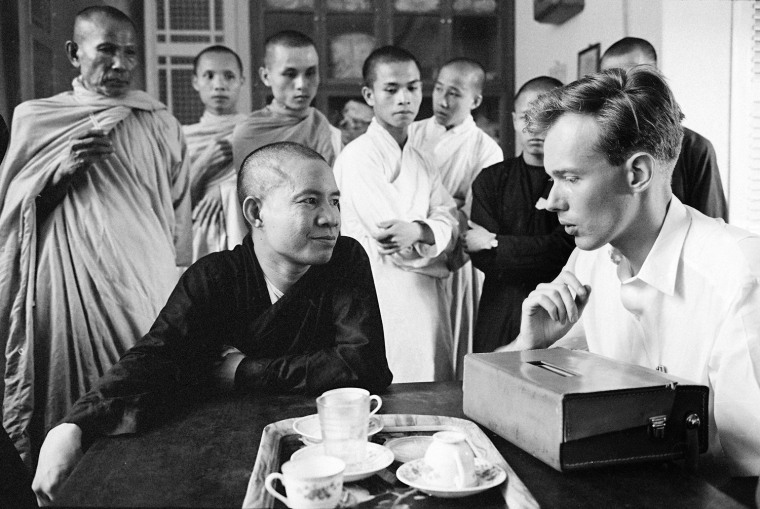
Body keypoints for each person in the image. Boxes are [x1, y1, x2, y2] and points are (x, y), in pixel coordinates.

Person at [31, 142, 393, 505]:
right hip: (229, 447)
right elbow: (154, 357)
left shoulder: (345, 259)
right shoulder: (214, 278)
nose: (330, 217)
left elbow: (364, 365)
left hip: (327, 448)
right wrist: (71, 427)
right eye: (309, 201)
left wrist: (244, 372)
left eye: (335, 201)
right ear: (255, 212)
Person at [506, 66, 760, 478]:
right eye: (552, 178)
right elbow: (530, 408)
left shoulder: (740, 275)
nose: (551, 201)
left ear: (637, 173)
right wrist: (529, 349)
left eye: (570, 178)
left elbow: (752, 473)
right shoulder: (589, 258)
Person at [0, 6, 191, 464]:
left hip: (146, 277)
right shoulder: (38, 119)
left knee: (152, 395)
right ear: (74, 53)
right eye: (106, 50)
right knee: (74, 398)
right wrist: (59, 174)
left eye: (129, 53)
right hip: (69, 288)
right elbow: (11, 219)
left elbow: (177, 209)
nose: (120, 64)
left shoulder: (159, 120)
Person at [335, 46, 459, 383]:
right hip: (380, 287)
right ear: (369, 95)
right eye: (391, 89)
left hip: (427, 295)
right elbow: (390, 239)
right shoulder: (358, 157)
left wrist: (420, 231)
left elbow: (451, 217)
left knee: (433, 382)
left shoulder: (422, 159)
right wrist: (440, 247)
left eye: (413, 87)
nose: (404, 98)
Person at [408, 58, 503, 376]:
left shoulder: (485, 150)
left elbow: (477, 215)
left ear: (475, 100)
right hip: (407, 252)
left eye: (455, 94)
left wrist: (440, 238)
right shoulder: (412, 133)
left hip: (454, 260)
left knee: (453, 353)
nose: (443, 101)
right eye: (438, 89)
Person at [464, 76, 574, 352]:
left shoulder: (574, 181)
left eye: (546, 117)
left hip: (557, 311)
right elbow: (482, 257)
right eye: (526, 116)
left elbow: (564, 250)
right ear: (514, 120)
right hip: (499, 308)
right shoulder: (491, 180)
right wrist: (505, 250)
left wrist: (497, 242)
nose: (534, 127)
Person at [225, 30, 342, 247]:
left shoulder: (326, 129)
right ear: (265, 76)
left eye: (310, 73)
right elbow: (256, 205)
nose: (301, 84)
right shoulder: (249, 132)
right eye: (289, 74)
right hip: (269, 244)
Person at [600, 36, 728, 221]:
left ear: (654, 77)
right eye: (611, 80)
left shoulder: (695, 148)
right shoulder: (596, 142)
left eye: (632, 77)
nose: (622, 89)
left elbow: (712, 227)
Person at [183, 45, 247, 260]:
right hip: (197, 244)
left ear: (242, 81)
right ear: (195, 82)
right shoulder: (182, 138)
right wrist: (202, 165)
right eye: (209, 76)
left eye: (229, 76)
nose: (219, 85)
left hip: (245, 240)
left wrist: (227, 190)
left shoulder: (256, 130)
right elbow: (173, 211)